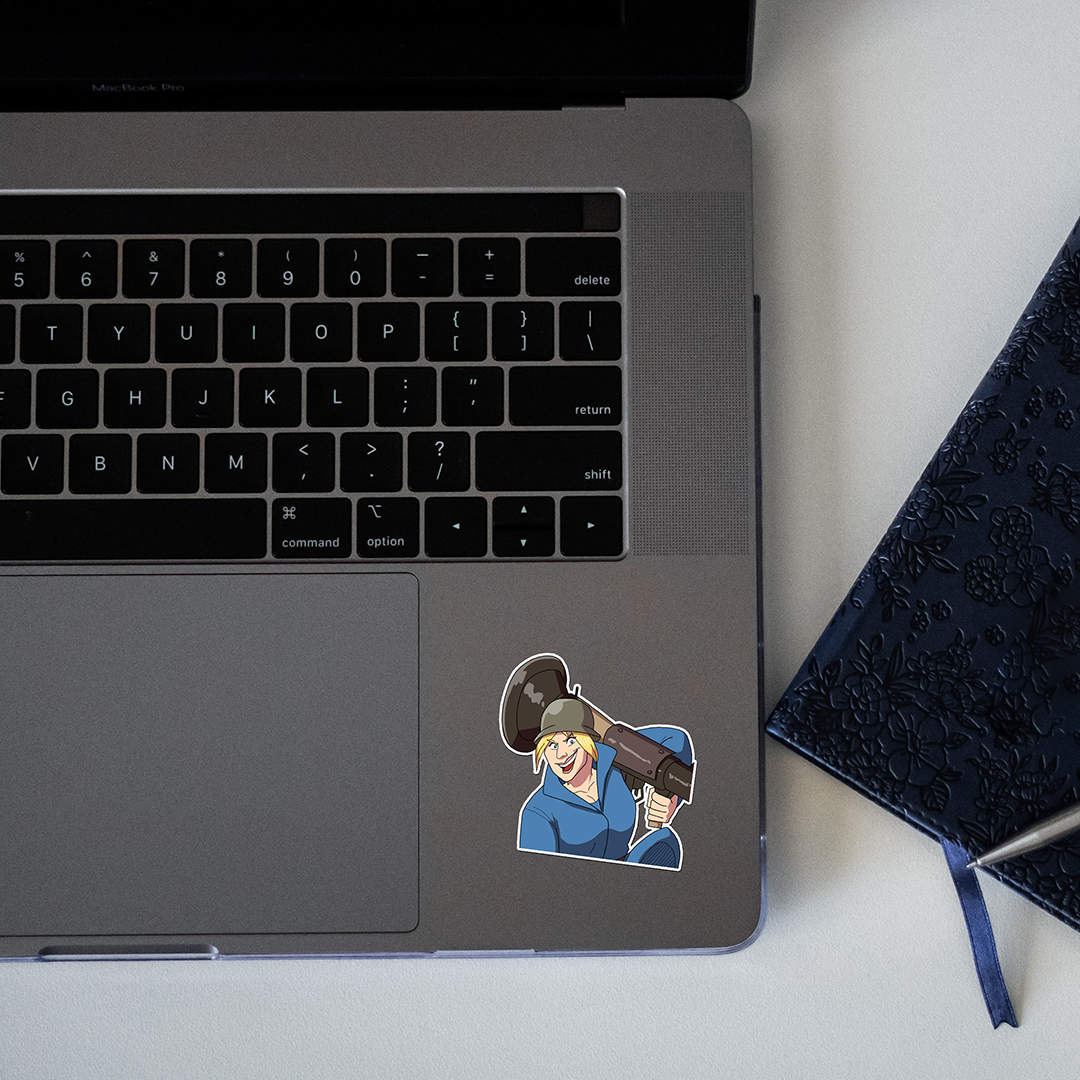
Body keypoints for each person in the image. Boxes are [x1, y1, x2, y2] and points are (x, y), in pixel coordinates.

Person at [516, 696, 693, 869]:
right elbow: (538, 875)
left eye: (570, 741)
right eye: (552, 745)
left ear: (588, 740)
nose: (561, 754)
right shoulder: (538, 813)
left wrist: (671, 796)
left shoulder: (616, 765)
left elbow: (676, 739)